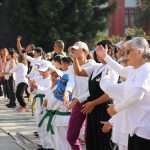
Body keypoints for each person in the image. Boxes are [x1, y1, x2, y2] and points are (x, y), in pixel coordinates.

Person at [96, 37, 150, 150]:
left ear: (139, 51)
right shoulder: (135, 69)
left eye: (128, 51)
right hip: (135, 129)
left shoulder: (146, 69)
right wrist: (105, 56)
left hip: (144, 130)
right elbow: (120, 70)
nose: (125, 55)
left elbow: (137, 95)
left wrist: (116, 108)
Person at [73, 40, 118, 150]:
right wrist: (74, 57)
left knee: (104, 142)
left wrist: (92, 103)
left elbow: (109, 94)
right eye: (96, 50)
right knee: (92, 140)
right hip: (93, 109)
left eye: (100, 49)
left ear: (109, 50)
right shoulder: (97, 67)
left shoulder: (112, 68)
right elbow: (79, 72)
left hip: (104, 110)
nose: (97, 52)